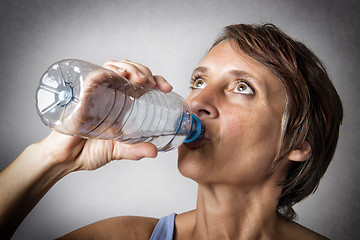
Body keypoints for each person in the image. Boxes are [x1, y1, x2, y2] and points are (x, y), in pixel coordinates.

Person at [0, 23, 343, 240]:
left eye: (241, 87)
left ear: (297, 141)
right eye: (198, 81)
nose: (197, 102)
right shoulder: (124, 237)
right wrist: (53, 158)